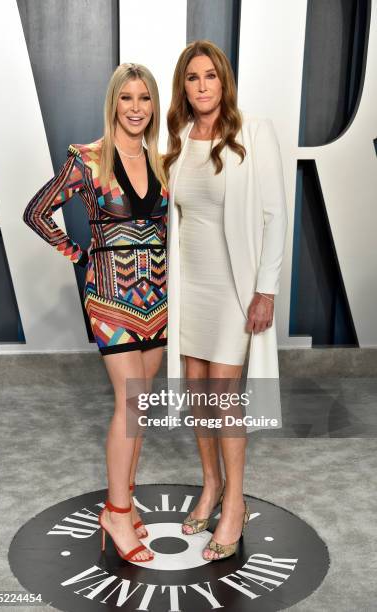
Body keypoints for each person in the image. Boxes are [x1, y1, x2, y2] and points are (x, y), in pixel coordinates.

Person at [23, 63, 169, 562]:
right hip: (110, 298)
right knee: (128, 404)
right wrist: (77, 253)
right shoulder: (86, 159)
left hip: (159, 300)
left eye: (144, 98)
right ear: (114, 103)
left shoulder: (163, 161)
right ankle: (115, 511)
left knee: (141, 406)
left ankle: (126, 505)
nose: (135, 107)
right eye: (126, 98)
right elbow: (37, 211)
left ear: (153, 105)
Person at [165, 40, 287, 561]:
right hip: (188, 286)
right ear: (184, 87)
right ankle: (210, 486)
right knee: (198, 397)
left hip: (234, 288)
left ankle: (234, 503)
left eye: (210, 76)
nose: (202, 86)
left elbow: (274, 215)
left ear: (224, 82)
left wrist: (266, 289)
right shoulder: (177, 138)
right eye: (192, 78)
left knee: (223, 397)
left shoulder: (253, 133)